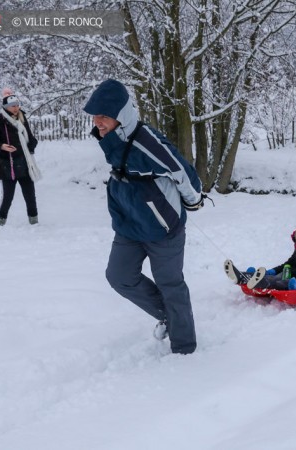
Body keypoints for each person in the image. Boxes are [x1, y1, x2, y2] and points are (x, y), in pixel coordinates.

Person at [83, 79, 204, 355]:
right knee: (119, 276)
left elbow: (182, 171)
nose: (97, 121)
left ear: (121, 115)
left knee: (171, 285)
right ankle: (170, 316)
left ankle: (185, 349)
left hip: (164, 229)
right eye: (95, 115)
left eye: (104, 115)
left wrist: (194, 200)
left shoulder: (148, 143)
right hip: (129, 225)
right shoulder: (112, 138)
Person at [224, 218, 296, 296]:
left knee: (281, 283)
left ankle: (261, 282)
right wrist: (272, 271)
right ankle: (243, 276)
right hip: (291, 274)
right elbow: (288, 263)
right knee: (275, 277)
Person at [0, 88, 40, 226]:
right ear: (6, 107)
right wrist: (2, 146)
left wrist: (33, 143)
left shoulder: (22, 118)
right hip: (7, 164)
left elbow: (28, 135)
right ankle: (0, 222)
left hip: (25, 163)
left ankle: (34, 222)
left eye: (17, 105)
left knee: (30, 195)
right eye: (12, 106)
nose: (16, 108)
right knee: (7, 197)